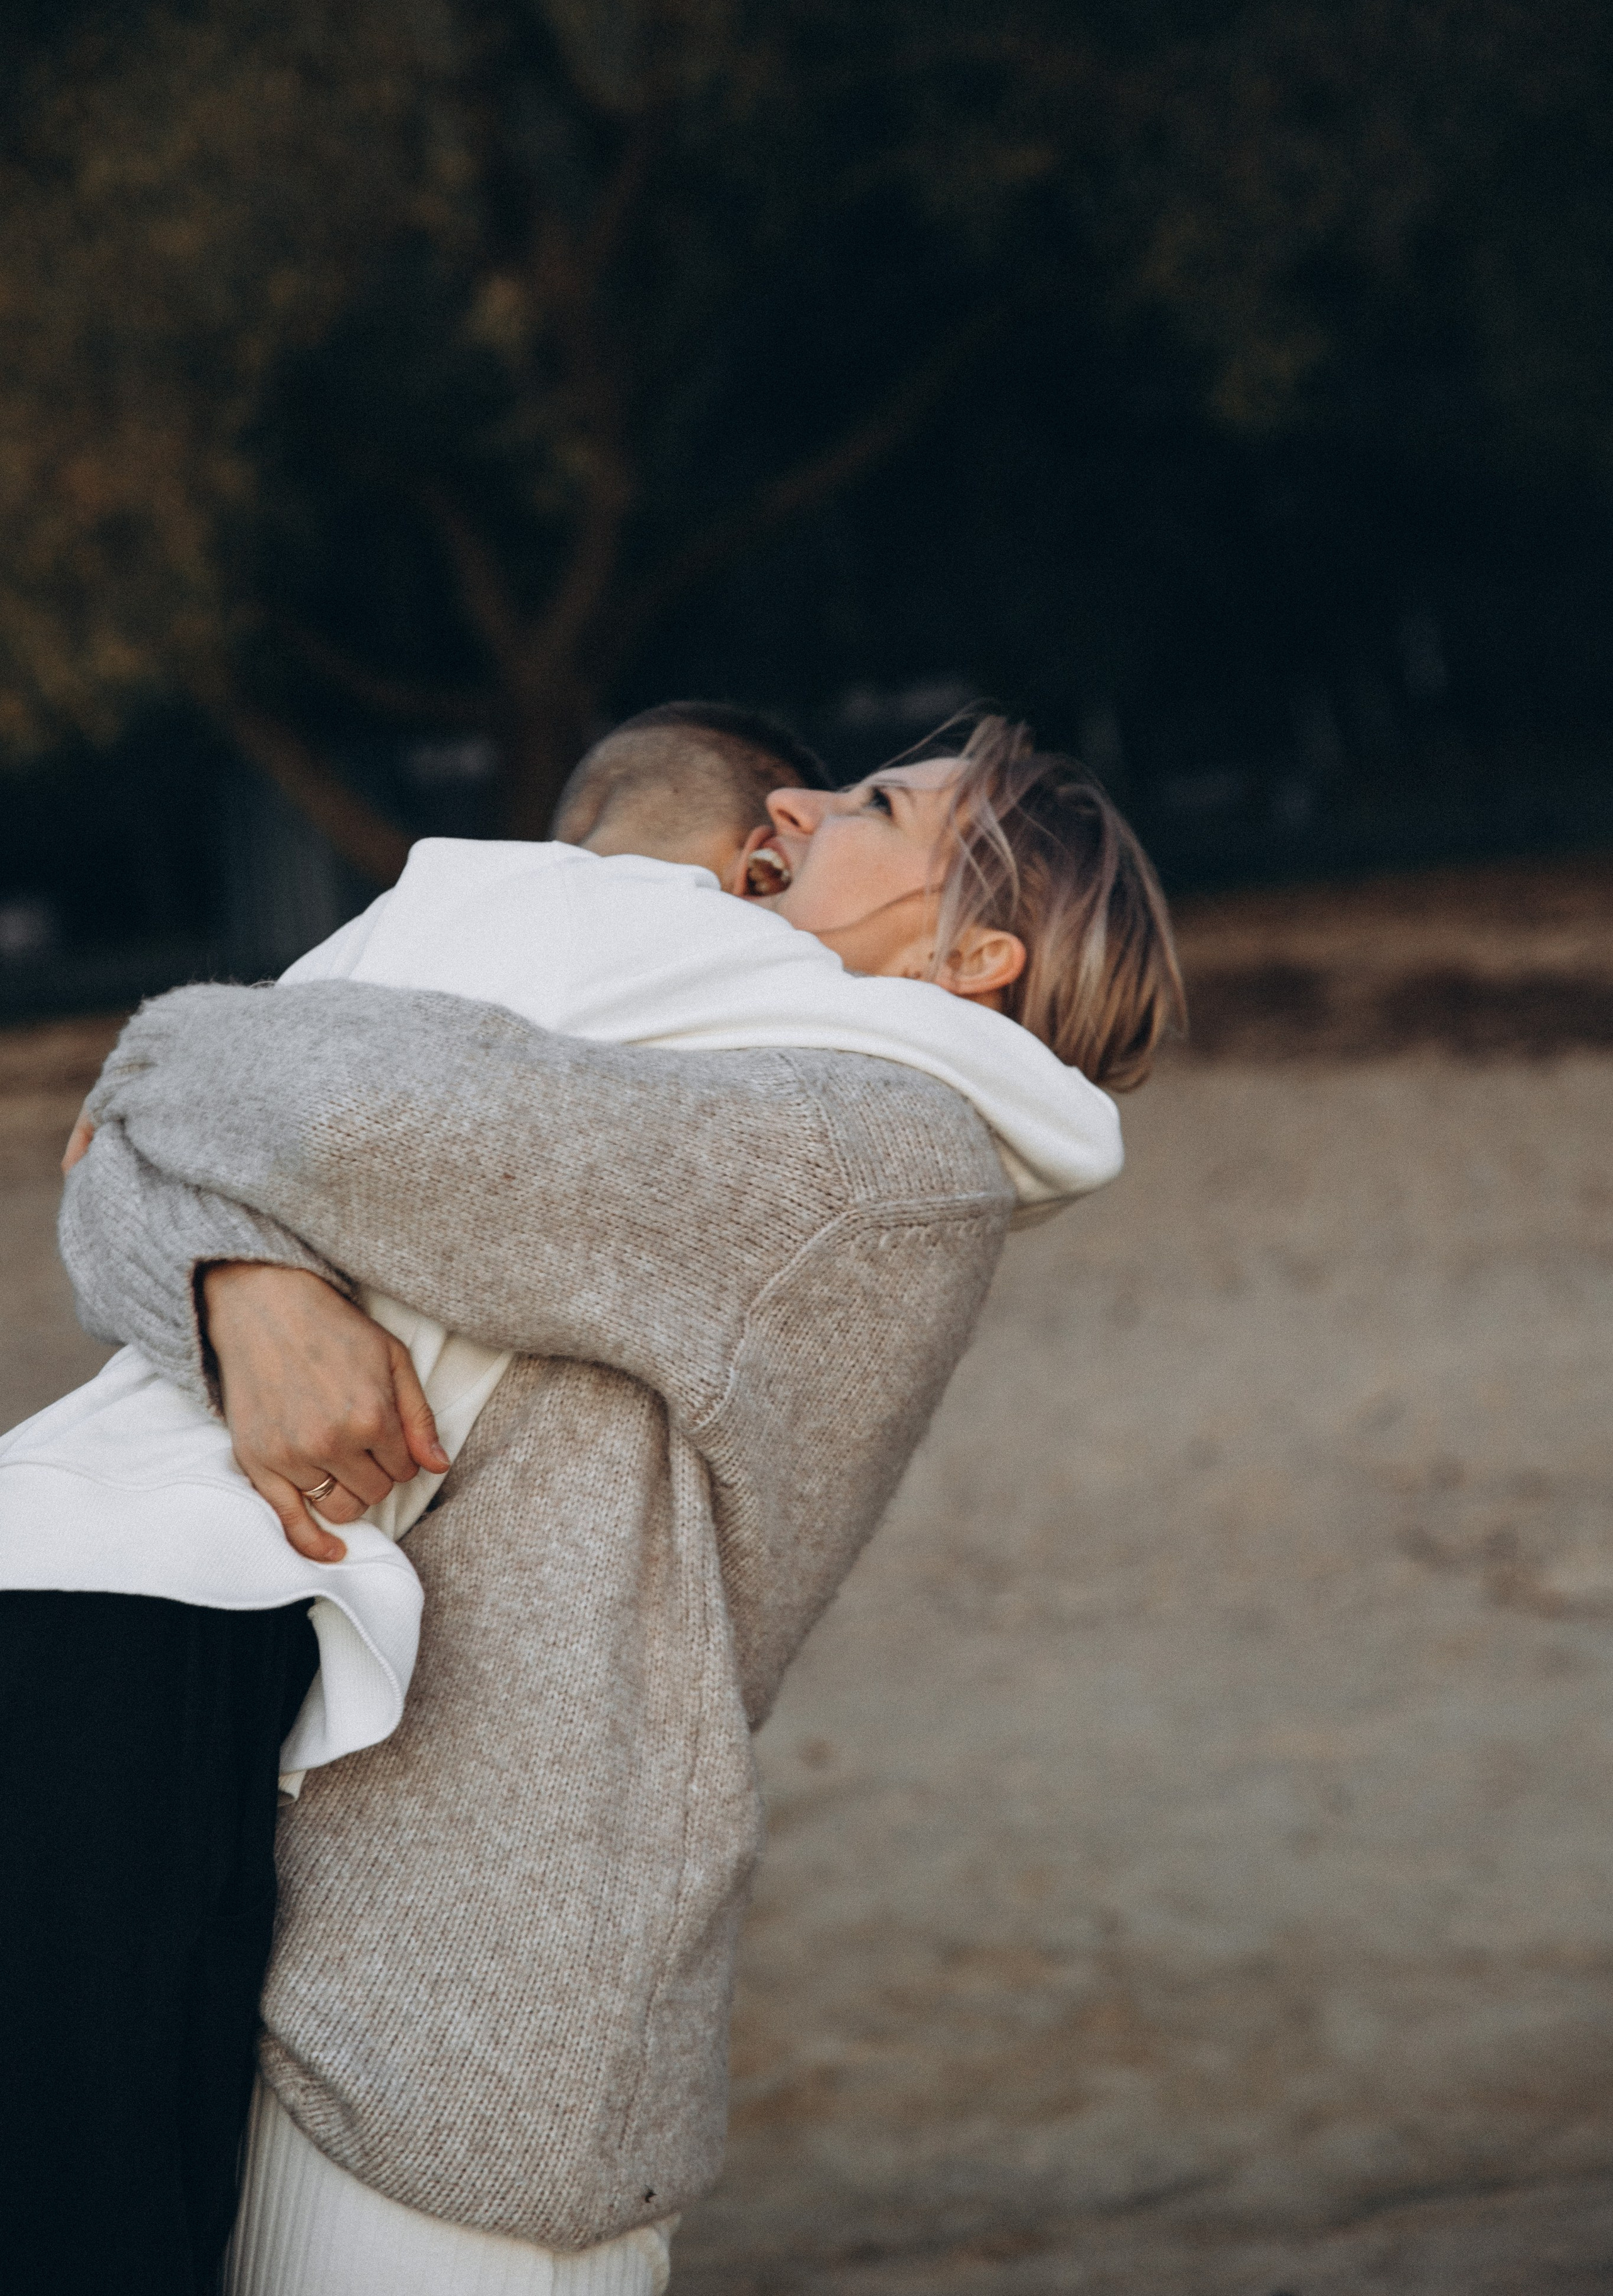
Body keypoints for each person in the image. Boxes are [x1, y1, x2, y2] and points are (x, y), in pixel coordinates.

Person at [14, 715, 1181, 2293]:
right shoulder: (671, 1065)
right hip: (311, 1899)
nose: (795, 802)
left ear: (973, 953)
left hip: (486, 2027)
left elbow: (310, 1105)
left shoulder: (877, 1162)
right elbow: (134, 1184)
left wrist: (160, 1066)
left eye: (877, 805)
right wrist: (240, 1289)